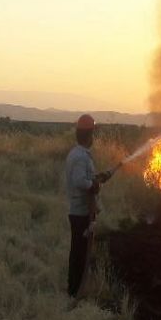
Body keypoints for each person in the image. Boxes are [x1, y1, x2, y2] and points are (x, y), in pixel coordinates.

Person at [66, 114, 111, 297]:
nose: (94, 138)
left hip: (83, 211)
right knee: (79, 254)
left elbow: (85, 178)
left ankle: (76, 288)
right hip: (81, 213)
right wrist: (93, 184)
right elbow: (79, 181)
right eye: (93, 134)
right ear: (88, 135)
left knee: (80, 251)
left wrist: (98, 178)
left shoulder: (79, 154)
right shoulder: (80, 157)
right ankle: (75, 291)